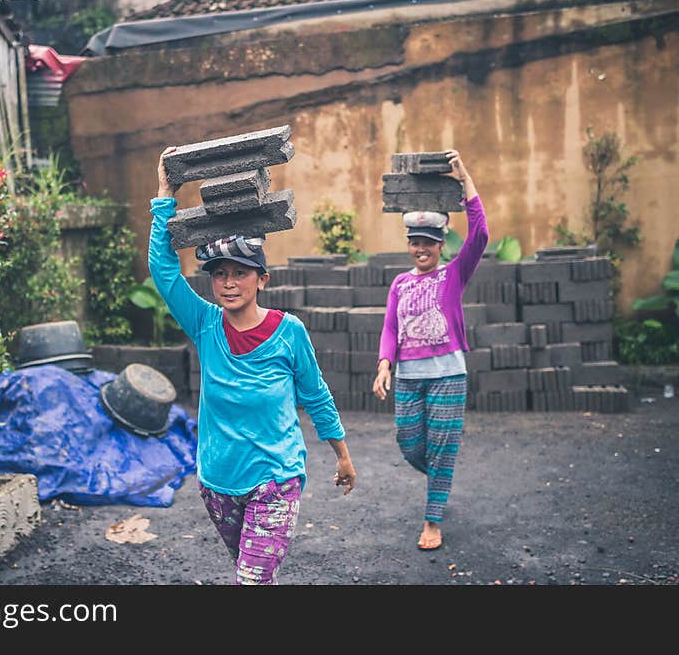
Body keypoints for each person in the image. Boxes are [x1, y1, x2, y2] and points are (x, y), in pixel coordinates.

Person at [149, 146, 357, 584]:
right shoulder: (206, 325)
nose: (228, 282)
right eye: (219, 273)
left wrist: (341, 454)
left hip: (276, 480)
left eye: (240, 272)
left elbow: (315, 393)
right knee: (255, 575)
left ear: (262, 278)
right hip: (218, 482)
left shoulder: (289, 332)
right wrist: (165, 194)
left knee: (251, 581)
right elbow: (165, 274)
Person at [372, 149, 488, 551]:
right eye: (414, 242)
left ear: (441, 245)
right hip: (409, 376)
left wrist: (465, 180)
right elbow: (390, 327)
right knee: (409, 442)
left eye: (428, 242)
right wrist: (385, 364)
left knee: (441, 445)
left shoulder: (454, 274)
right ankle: (442, 474)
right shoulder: (399, 284)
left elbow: (481, 235)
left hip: (448, 376)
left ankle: (432, 519)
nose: (420, 248)